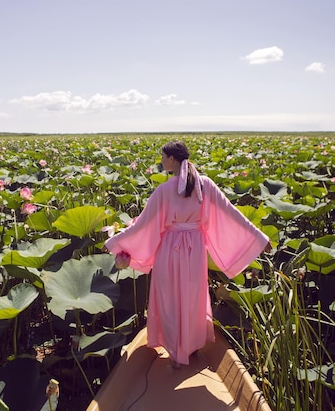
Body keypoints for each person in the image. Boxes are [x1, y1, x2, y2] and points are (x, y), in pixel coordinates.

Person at [104, 140, 271, 368]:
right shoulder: (206, 185)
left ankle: (175, 351)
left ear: (173, 159)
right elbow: (231, 213)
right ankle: (190, 348)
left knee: (170, 299)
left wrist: (115, 242)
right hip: (194, 251)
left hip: (169, 251)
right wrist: (260, 238)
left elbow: (142, 225)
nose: (161, 161)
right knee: (192, 298)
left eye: (163, 157)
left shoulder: (163, 190)